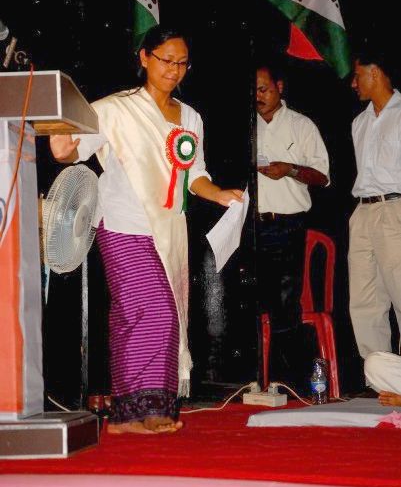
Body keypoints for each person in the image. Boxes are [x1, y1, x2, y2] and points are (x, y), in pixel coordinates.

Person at [50, 25, 243, 434]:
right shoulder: (114, 109)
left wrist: (220, 194)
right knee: (155, 310)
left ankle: (128, 414)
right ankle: (148, 409)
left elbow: (195, 176)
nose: (174, 70)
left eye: (182, 63)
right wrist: (61, 135)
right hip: (124, 223)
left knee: (140, 315)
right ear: (144, 57)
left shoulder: (191, 117)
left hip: (170, 230)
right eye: (166, 60)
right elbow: (70, 151)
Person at [256, 63, 329, 390]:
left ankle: (288, 383)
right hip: (250, 227)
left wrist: (291, 170)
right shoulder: (246, 125)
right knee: (251, 304)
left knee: (285, 305)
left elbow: (322, 176)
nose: (258, 96)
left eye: (264, 89)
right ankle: (256, 381)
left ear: (280, 87)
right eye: (253, 91)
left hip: (287, 226)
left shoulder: (301, 125)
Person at [349, 48, 401, 362]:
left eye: (357, 76)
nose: (353, 84)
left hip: (395, 209)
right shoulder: (359, 122)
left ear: (375, 73)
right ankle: (379, 378)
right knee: (364, 302)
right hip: (363, 212)